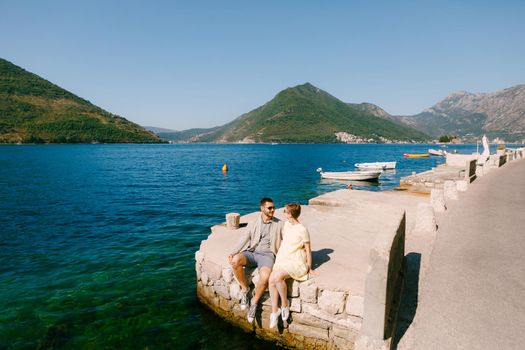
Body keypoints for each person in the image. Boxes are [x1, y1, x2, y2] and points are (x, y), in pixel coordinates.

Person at [228, 197, 283, 324]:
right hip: (252, 252)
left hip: (267, 256)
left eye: (273, 207)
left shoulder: (279, 224)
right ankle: (244, 289)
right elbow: (244, 238)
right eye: (270, 208)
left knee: (265, 277)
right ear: (262, 208)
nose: (273, 210)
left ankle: (254, 302)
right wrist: (233, 252)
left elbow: (288, 239)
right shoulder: (253, 222)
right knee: (235, 260)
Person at [268, 202, 314, 328]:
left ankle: (284, 304)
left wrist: (310, 267)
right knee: (271, 279)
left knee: (277, 277)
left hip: (296, 261)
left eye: (285, 211)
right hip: (284, 258)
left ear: (290, 214)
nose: (283, 213)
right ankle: (274, 311)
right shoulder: (287, 225)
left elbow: (308, 250)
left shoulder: (303, 229)